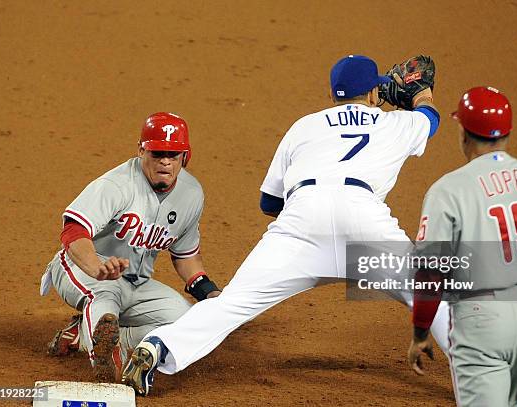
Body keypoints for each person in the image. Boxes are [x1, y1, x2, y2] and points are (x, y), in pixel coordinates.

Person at [121, 54, 450, 396]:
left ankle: (158, 347)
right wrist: (421, 96)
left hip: (301, 220)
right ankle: (488, 385)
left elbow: (269, 203)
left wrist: (302, 238)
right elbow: (430, 118)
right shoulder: (393, 124)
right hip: (364, 219)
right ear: (372, 93)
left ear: (333, 94)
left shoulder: (305, 126)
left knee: (234, 303)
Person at [407, 87, 517, 406]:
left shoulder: (449, 190)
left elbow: (431, 272)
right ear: (507, 133)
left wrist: (420, 332)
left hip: (481, 321)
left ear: (464, 133)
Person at [40, 112, 221, 382]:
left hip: (135, 283)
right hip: (80, 268)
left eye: (174, 154)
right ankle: (108, 357)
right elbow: (73, 230)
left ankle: (94, 336)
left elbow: (186, 256)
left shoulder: (191, 194)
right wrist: (96, 267)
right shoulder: (116, 185)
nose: (166, 162)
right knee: (104, 295)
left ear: (186, 156)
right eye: (157, 153)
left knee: (185, 322)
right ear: (141, 150)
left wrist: (210, 294)